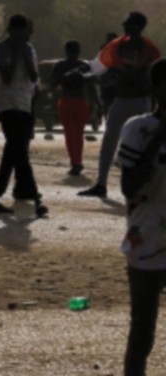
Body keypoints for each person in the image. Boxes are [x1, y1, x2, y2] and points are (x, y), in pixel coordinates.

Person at [116, 59, 166, 376]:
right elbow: (128, 186)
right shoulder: (138, 128)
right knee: (143, 330)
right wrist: (160, 136)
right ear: (155, 88)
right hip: (146, 237)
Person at [81, 12, 161, 198]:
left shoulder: (149, 50)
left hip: (140, 100)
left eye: (129, 25)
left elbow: (150, 77)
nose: (125, 28)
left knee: (143, 143)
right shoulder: (117, 46)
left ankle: (145, 183)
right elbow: (109, 70)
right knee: (109, 141)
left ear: (139, 27)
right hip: (122, 98)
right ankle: (101, 183)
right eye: (126, 25)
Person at [0, 15, 47, 218]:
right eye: (19, 31)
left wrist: (25, 53)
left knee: (14, 150)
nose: (23, 35)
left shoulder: (29, 49)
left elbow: (34, 77)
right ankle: (34, 198)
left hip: (24, 103)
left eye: (25, 31)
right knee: (16, 149)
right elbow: (8, 77)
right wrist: (18, 51)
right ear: (10, 30)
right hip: (6, 101)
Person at [52, 40, 94, 176]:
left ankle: (75, 162)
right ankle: (77, 161)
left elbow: (53, 84)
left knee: (70, 134)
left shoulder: (60, 65)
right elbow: (91, 86)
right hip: (81, 102)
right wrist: (95, 104)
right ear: (79, 51)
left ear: (66, 51)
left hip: (66, 101)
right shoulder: (84, 66)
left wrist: (65, 78)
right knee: (79, 134)